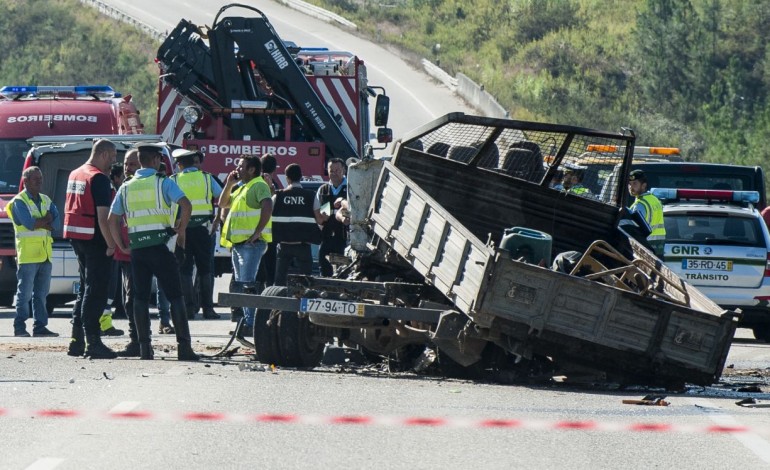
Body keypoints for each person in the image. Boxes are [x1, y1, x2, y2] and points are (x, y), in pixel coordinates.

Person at [108, 143, 199, 361]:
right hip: (163, 247)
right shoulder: (163, 182)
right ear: (156, 160)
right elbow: (186, 205)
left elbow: (113, 218)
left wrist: (121, 245)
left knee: (139, 297)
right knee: (175, 296)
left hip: (138, 250)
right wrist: (181, 228)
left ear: (140, 161)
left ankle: (144, 349)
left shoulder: (127, 187)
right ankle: (184, 348)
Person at [63, 139, 119, 359]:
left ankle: (76, 342)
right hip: (95, 240)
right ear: (104, 154)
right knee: (95, 292)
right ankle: (93, 343)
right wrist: (111, 244)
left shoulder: (75, 173)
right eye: (113, 157)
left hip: (77, 238)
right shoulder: (98, 178)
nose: (114, 162)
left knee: (85, 290)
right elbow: (103, 217)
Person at [219, 154, 273, 336]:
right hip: (239, 244)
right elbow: (222, 203)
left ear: (252, 169)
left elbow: (267, 205)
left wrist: (258, 231)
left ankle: (250, 323)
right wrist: (229, 184)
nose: (238, 169)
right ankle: (246, 321)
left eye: (241, 166)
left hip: (252, 244)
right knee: (243, 284)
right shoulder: (243, 187)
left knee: (247, 284)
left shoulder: (258, 185)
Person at [170, 148, 223, 320]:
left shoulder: (174, 180)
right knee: (205, 269)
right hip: (203, 229)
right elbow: (224, 199)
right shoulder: (207, 178)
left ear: (179, 165)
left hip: (181, 230)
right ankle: (208, 308)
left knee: (184, 269)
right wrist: (217, 220)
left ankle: (189, 309)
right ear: (194, 163)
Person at [7, 166, 59, 337]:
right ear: (26, 181)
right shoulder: (19, 201)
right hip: (28, 256)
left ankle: (40, 327)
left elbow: (57, 222)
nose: (39, 181)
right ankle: (19, 327)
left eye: (41, 178)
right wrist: (46, 220)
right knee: (25, 295)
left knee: (41, 295)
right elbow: (29, 224)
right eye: (35, 179)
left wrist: (41, 221)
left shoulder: (45, 199)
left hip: (45, 254)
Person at [271, 163, 324, 286]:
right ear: (301, 177)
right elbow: (320, 220)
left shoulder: (277, 196)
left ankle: (278, 302)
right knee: (306, 281)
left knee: (279, 281)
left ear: (287, 178)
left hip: (283, 246)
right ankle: (304, 301)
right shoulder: (311, 196)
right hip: (303, 247)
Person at [316, 158, 347, 277]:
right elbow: (319, 213)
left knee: (344, 271)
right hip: (326, 237)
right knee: (324, 270)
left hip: (344, 238)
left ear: (343, 170)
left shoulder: (350, 188)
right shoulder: (323, 189)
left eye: (337, 170)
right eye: (331, 170)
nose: (334, 173)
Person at [628, 169, 666, 256]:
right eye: (629, 184)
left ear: (643, 185)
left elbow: (634, 229)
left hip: (646, 246)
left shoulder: (639, 205)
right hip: (659, 245)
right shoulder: (654, 199)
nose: (631, 187)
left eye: (635, 183)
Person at [256, 154, 280, 291]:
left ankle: (259, 291)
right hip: (268, 232)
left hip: (254, 231)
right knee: (270, 266)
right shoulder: (272, 184)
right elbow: (272, 205)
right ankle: (268, 292)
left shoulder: (254, 182)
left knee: (258, 266)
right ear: (274, 169)